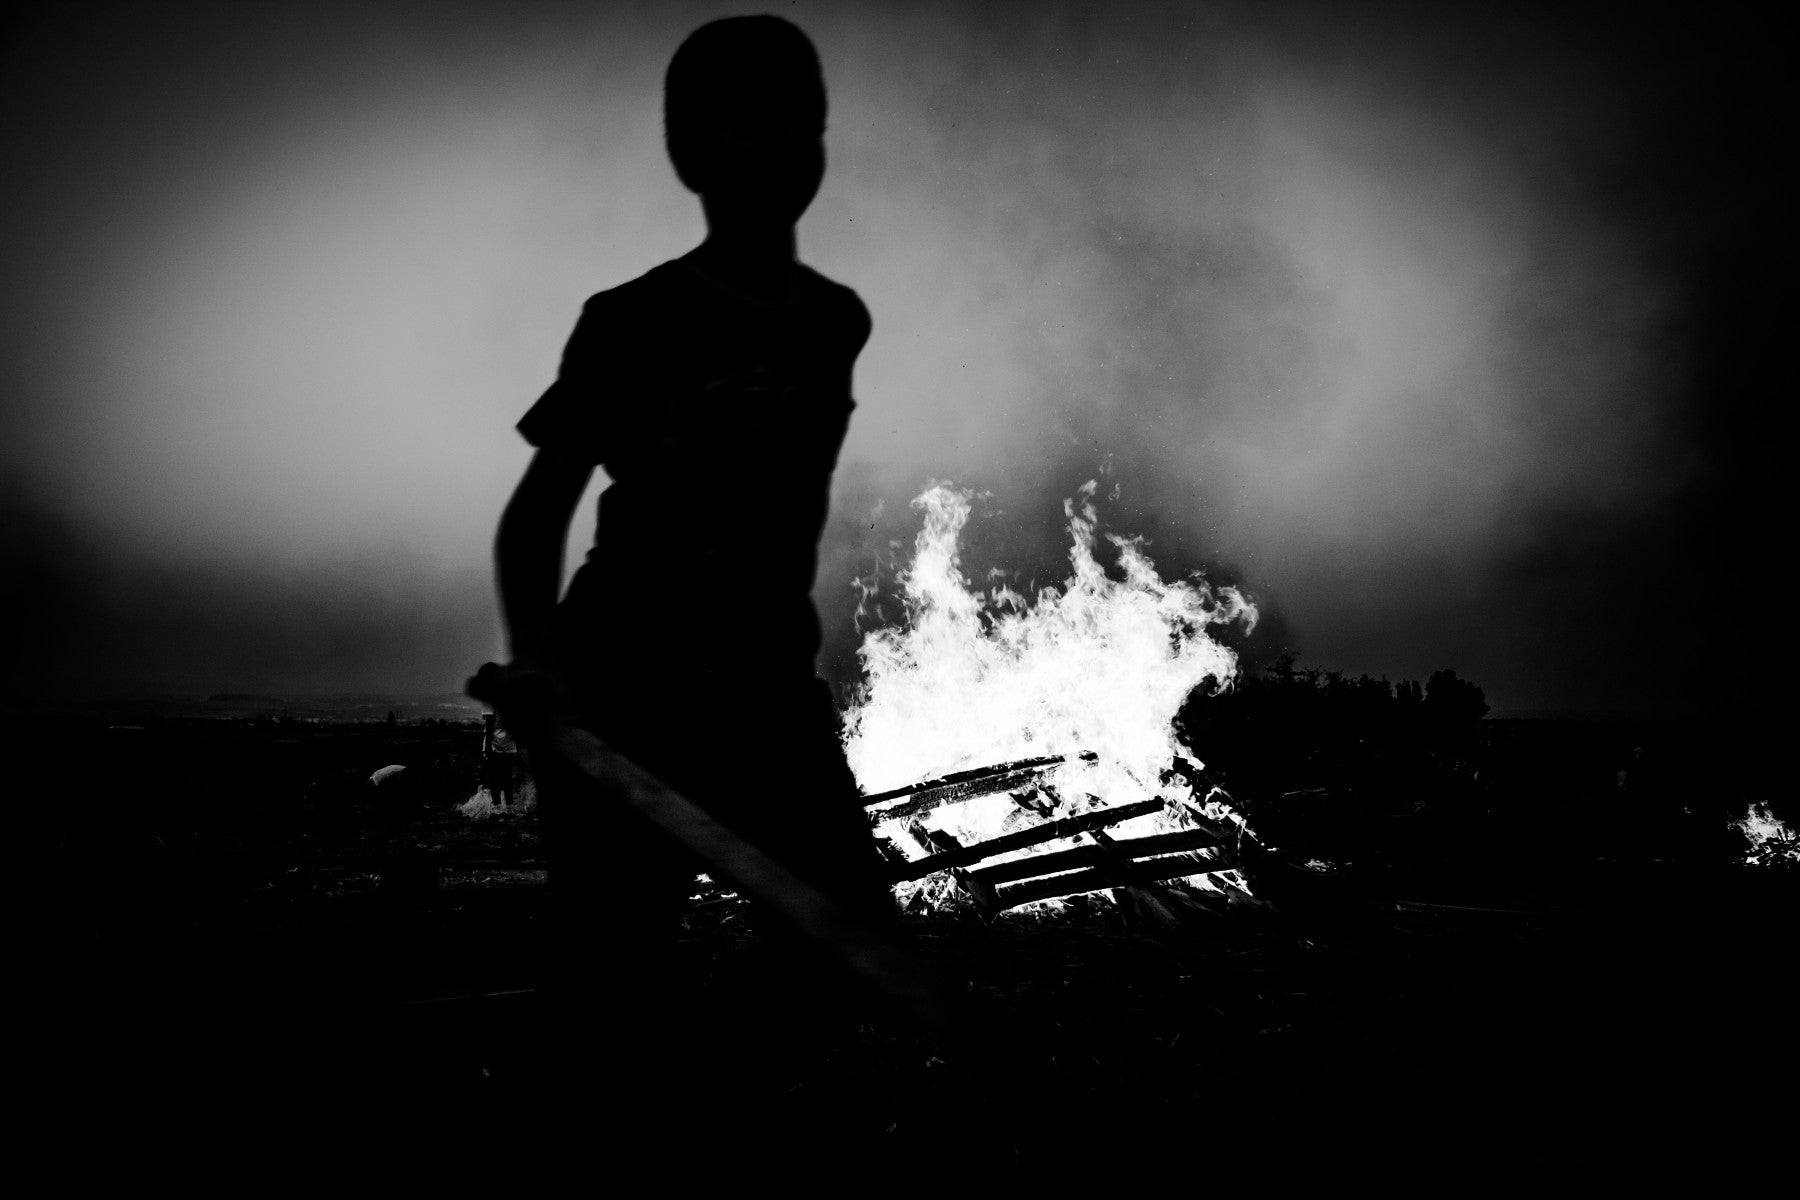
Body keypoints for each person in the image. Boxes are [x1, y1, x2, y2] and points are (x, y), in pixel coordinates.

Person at [492, 15, 893, 1105]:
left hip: (768, 683)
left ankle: (704, 1097)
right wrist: (540, 664)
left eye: (801, 123)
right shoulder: (631, 321)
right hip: (630, 680)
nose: (779, 148)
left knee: (851, 941)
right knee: (608, 965)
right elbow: (537, 515)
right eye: (744, 127)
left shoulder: (835, 322)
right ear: (687, 154)